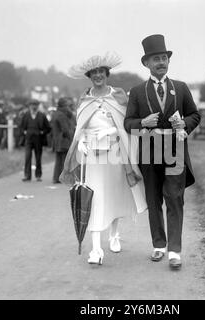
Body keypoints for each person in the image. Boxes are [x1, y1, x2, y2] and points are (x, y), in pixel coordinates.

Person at [60, 53, 147, 265]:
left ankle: (114, 234)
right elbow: (80, 126)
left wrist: (110, 130)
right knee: (95, 198)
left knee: (114, 194)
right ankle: (96, 250)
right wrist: (79, 142)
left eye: (101, 72)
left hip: (115, 153)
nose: (98, 75)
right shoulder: (85, 99)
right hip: (92, 157)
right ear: (89, 76)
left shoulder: (118, 96)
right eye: (94, 73)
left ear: (106, 74)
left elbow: (126, 124)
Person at [124, 34, 201, 270]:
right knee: (154, 198)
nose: (161, 62)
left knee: (175, 198)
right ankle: (159, 244)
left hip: (174, 150)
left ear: (168, 61)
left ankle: (175, 251)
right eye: (155, 59)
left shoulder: (181, 87)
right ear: (146, 64)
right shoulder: (137, 91)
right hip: (148, 151)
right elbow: (128, 123)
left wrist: (184, 124)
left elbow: (195, 115)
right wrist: (143, 123)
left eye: (164, 58)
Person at [20, 99, 51, 182]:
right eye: (32, 104)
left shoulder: (42, 115)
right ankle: (27, 175)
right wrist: (24, 132)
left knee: (38, 158)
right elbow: (21, 126)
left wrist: (42, 132)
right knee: (27, 157)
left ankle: (38, 175)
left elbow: (48, 128)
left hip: (38, 139)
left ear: (37, 106)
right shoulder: (26, 115)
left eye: (35, 105)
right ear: (30, 105)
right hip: (28, 139)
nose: (34, 106)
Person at [52, 97, 76, 184]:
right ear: (63, 106)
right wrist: (71, 138)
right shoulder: (61, 115)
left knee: (58, 160)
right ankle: (62, 178)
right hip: (63, 140)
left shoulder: (56, 113)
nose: (68, 107)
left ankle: (56, 178)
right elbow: (65, 129)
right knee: (64, 161)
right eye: (66, 105)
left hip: (57, 140)